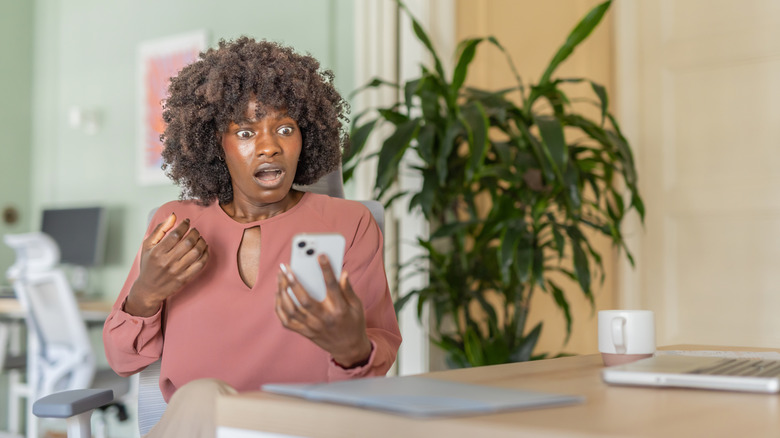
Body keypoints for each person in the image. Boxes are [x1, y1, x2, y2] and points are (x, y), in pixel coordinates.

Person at [103, 36, 402, 437]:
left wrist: (352, 349)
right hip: (200, 421)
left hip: (304, 425)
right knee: (204, 396)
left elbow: (368, 376)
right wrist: (146, 295)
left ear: (306, 137)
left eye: (284, 128)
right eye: (245, 133)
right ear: (216, 144)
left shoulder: (350, 223)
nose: (269, 147)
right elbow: (123, 360)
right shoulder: (175, 223)